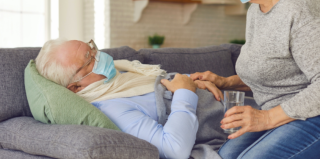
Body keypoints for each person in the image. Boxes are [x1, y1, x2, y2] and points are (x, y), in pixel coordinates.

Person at [174, 0, 320, 158]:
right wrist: (224, 82)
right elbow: (273, 71)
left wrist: (266, 118)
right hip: (278, 113)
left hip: (311, 115)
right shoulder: (255, 10)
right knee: (224, 156)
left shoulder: (300, 9)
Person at [35, 39, 228, 159]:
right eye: (89, 59)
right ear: (75, 86)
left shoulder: (122, 77)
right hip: (232, 126)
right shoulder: (112, 108)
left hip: (230, 102)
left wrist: (191, 81)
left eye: (92, 48)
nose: (99, 55)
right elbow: (173, 150)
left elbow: (164, 84)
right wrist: (185, 93)